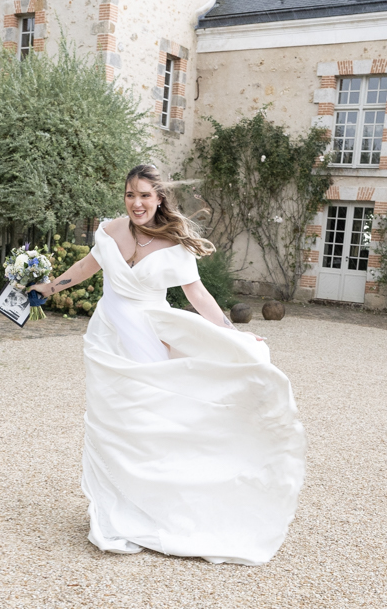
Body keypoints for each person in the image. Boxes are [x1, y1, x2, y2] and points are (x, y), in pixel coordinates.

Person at [30, 164, 306, 566]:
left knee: (148, 420)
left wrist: (233, 333)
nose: (136, 203)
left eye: (144, 195)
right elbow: (87, 267)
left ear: (159, 198)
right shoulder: (110, 231)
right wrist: (50, 287)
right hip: (107, 336)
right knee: (110, 422)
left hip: (147, 337)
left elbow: (198, 295)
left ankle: (159, 508)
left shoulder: (175, 245)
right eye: (130, 195)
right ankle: (117, 509)